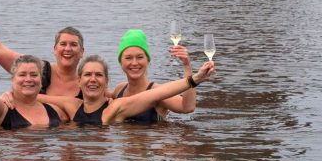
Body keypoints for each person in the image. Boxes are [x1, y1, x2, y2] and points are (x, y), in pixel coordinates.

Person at [38, 54, 215, 126]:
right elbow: (36, 97)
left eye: (99, 75)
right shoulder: (71, 105)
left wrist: (194, 79)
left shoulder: (116, 108)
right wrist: (9, 95)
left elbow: (157, 93)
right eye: (88, 75)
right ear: (79, 81)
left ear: (106, 81)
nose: (93, 79)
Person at [0, 3, 85, 96]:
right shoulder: (37, 69)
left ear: (82, 52)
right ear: (55, 49)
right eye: (63, 44)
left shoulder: (89, 81)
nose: (68, 49)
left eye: (73, 45)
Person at [110, 29, 198, 123]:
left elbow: (188, 107)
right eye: (128, 58)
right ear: (120, 62)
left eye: (140, 57)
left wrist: (187, 65)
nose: (134, 63)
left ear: (148, 60)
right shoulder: (119, 90)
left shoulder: (159, 92)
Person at [0, 51, 72, 130]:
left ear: (41, 80)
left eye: (34, 75)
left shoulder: (56, 111)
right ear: (13, 79)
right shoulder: (2, 109)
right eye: (22, 75)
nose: (28, 79)